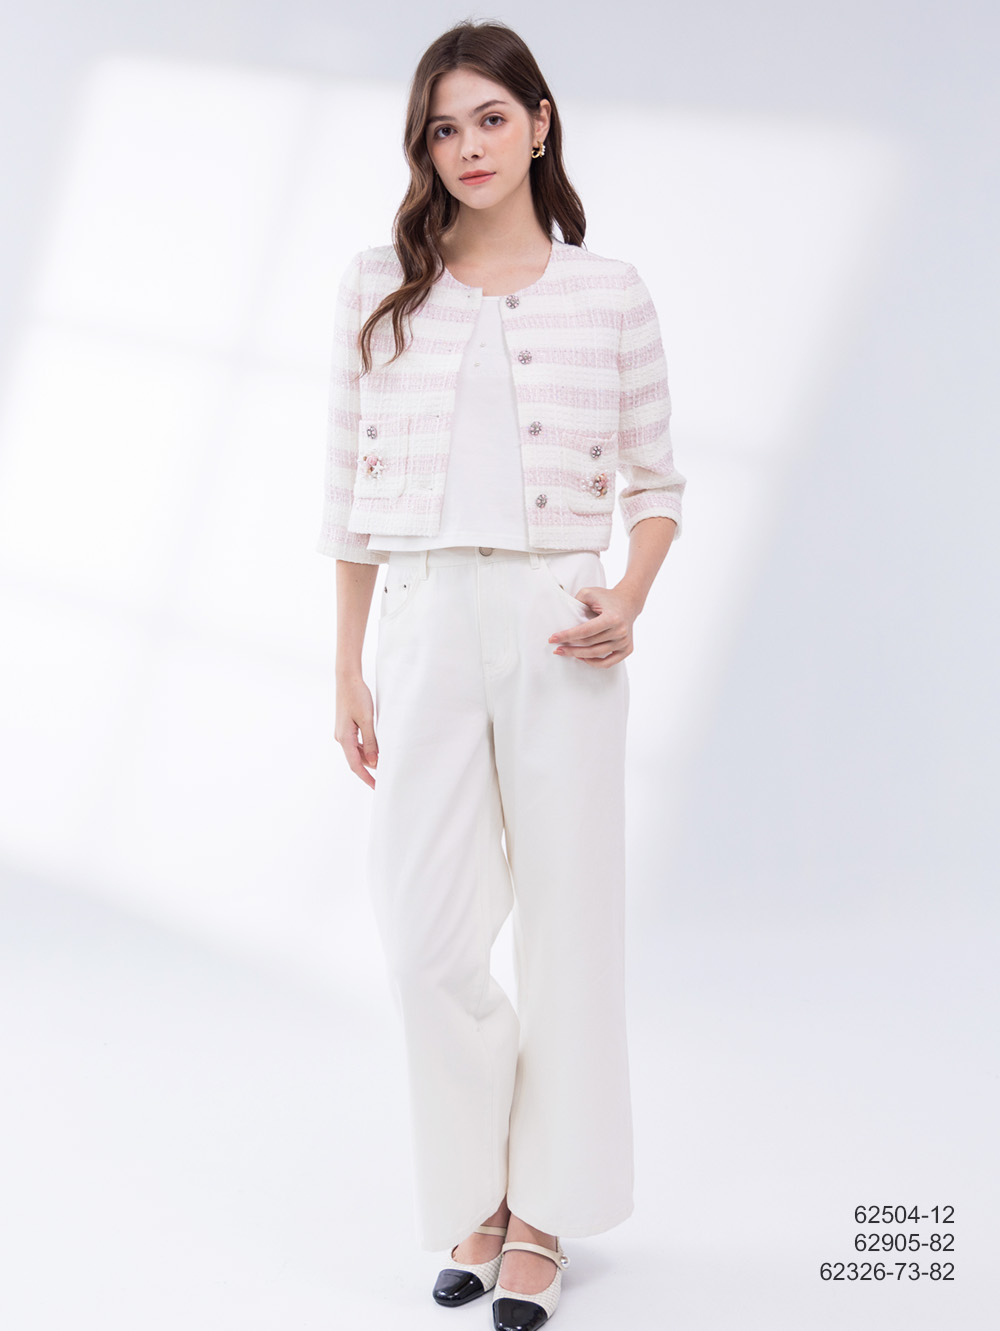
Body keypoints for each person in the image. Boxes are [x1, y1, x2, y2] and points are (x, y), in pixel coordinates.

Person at [317, 20, 686, 1329]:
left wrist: (626, 599)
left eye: (488, 118)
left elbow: (656, 482)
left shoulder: (609, 293)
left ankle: (542, 1212)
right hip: (422, 621)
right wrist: (348, 667)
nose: (466, 147)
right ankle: (474, 1187)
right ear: (422, 148)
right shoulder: (381, 286)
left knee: (571, 927)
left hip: (556, 624)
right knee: (427, 940)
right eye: (442, 127)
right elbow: (347, 498)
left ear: (539, 122)